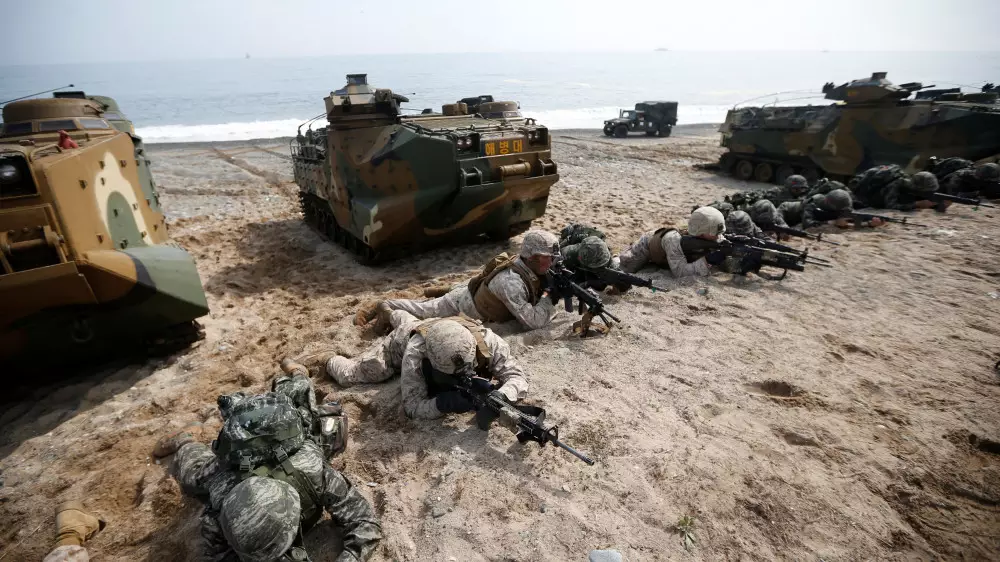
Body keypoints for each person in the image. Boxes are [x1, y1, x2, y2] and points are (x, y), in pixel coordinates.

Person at [156, 374, 382, 562]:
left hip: (284, 442)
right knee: (192, 477)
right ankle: (186, 440)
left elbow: (364, 523)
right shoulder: (218, 513)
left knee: (308, 410)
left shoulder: (312, 473)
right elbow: (220, 556)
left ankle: (293, 374)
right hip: (236, 460)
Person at [295, 312, 527, 420]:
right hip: (401, 342)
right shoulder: (415, 355)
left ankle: (393, 313)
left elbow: (517, 377)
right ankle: (328, 359)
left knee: (414, 322)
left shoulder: (488, 341)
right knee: (355, 375)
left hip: (441, 327)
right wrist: (442, 404)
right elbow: (412, 406)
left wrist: (502, 395)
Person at [379, 230, 560, 330]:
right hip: (462, 305)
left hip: (473, 289)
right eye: (547, 257)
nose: (551, 261)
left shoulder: (529, 265)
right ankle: (386, 306)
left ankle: (441, 290)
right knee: (423, 310)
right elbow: (533, 322)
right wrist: (548, 297)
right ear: (532, 257)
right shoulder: (511, 283)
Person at [618, 206, 726, 277]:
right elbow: (680, 273)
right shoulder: (673, 239)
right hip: (647, 247)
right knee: (623, 268)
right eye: (714, 233)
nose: (718, 236)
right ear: (701, 232)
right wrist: (707, 260)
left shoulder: (715, 237)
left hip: (666, 258)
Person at [851, 166, 950, 211]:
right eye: (926, 192)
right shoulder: (895, 184)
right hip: (864, 196)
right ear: (919, 188)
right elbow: (891, 205)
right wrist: (916, 204)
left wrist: (939, 205)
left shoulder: (913, 187)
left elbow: (923, 200)